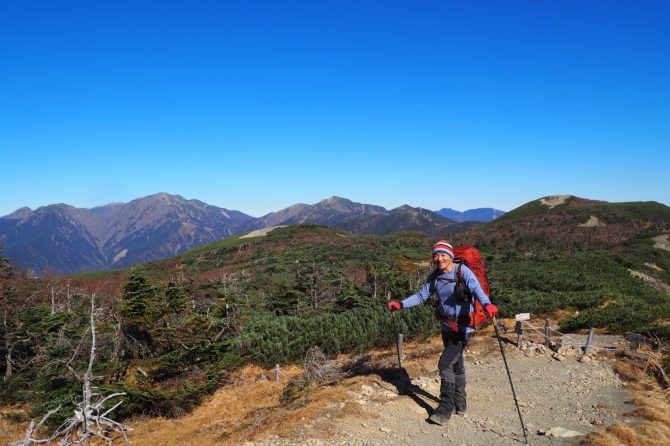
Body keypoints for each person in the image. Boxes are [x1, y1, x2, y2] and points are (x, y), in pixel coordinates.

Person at [386, 240, 498, 425]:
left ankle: (445, 408)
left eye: (443, 254)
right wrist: (401, 304)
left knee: (445, 364)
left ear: (451, 255)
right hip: (446, 325)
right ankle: (460, 403)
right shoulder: (435, 276)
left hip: (464, 327)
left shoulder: (462, 272)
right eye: (436, 255)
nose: (439, 258)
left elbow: (477, 290)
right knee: (456, 364)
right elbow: (422, 296)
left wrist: (487, 304)